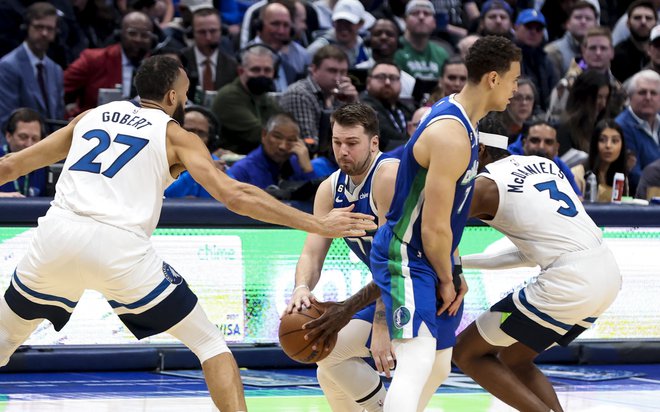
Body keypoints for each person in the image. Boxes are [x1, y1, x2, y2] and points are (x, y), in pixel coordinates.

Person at [0, 55, 377, 412]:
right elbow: (236, 196)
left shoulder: (89, 116)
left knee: (4, 342)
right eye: (185, 92)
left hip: (57, 236)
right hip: (119, 247)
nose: (186, 99)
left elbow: (13, 164)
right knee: (210, 344)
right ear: (171, 97)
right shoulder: (175, 136)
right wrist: (316, 223)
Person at [452, 134, 621, 412]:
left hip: (569, 281)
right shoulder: (543, 164)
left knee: (465, 352)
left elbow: (436, 227)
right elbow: (527, 256)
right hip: (607, 276)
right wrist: (462, 263)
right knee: (515, 358)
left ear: (478, 150)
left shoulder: (484, 187)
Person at [285, 102, 398, 412]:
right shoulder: (330, 188)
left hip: (416, 291)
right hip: (386, 291)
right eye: (337, 143)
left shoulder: (387, 175)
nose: (343, 151)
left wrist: (383, 324)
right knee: (326, 362)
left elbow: (397, 259)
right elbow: (311, 252)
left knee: (330, 355)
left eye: (352, 143)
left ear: (374, 142)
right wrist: (301, 288)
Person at [64, 11, 155, 115]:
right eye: (132, 33)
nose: (138, 39)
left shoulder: (155, 69)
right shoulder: (93, 59)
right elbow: (59, 89)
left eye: (144, 35)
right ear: (120, 34)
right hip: (96, 126)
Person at [0, 2, 64, 137]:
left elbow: (58, 116)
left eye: (49, 28)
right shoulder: (8, 66)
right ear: (27, 27)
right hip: (20, 146)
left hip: (49, 146)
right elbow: (6, 120)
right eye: (39, 27)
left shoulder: (56, 70)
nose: (44, 33)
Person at [279, 45, 358, 146]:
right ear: (314, 70)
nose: (338, 78)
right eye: (332, 71)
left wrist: (354, 104)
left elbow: (360, 134)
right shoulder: (299, 94)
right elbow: (310, 143)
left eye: (343, 72)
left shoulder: (338, 94)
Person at [212, 44, 282, 155]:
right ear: (241, 71)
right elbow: (259, 135)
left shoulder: (265, 97)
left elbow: (283, 128)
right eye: (255, 69)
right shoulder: (229, 96)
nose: (262, 75)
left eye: (267, 70)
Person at [226, 113, 317, 189]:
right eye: (277, 137)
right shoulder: (242, 170)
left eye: (291, 140)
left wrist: (308, 169)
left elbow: (317, 203)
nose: (283, 147)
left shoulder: (298, 163)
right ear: (264, 135)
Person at [615, 69, 660, 193]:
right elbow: (635, 177)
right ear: (630, 96)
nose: (648, 97)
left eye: (654, 93)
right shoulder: (621, 127)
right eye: (642, 92)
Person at [180, 7, 239, 100]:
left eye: (213, 31)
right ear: (192, 33)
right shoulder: (180, 61)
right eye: (202, 32)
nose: (208, 37)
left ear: (221, 31)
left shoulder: (232, 65)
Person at [360, 62, 414, 151]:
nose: (387, 82)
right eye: (381, 77)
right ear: (368, 82)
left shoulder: (405, 109)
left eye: (393, 78)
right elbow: (385, 137)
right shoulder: (363, 107)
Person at [572, 119, 629, 202]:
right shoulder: (577, 174)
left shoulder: (621, 177)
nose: (608, 146)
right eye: (602, 140)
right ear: (594, 143)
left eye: (615, 141)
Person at [393, 0, 448, 81]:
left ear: (434, 22)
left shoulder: (441, 54)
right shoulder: (393, 49)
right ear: (405, 20)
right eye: (415, 13)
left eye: (426, 13)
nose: (421, 17)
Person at [0, 108, 47, 198]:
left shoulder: (46, 164)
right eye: (23, 137)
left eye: (35, 139)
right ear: (8, 136)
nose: (29, 144)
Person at [611, 0, 657, 82]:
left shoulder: (658, 54)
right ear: (628, 23)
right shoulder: (616, 55)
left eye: (648, 18)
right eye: (637, 18)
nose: (643, 22)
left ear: (656, 23)